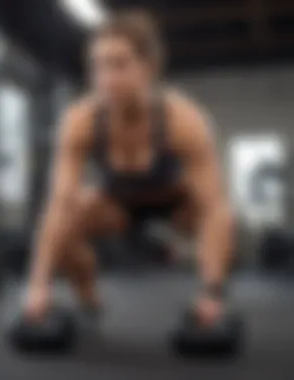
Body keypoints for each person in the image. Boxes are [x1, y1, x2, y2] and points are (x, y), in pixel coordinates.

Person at [25, 10, 234, 326]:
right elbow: (60, 202)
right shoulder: (80, 122)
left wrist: (212, 291)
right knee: (65, 226)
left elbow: (214, 208)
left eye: (119, 64)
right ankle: (87, 294)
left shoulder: (185, 121)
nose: (106, 78)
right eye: (98, 66)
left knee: (222, 217)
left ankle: (211, 294)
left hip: (174, 204)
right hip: (117, 206)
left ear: (149, 67)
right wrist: (38, 286)